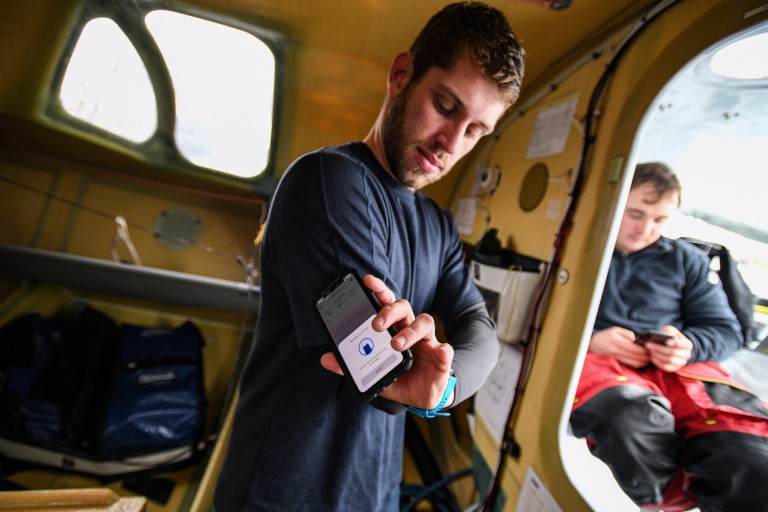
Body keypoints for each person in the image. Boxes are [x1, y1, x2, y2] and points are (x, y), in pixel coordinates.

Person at [214, 3, 525, 511]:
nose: (451, 143)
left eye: (474, 131)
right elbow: (374, 367)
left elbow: (477, 326)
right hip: (283, 495)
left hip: (373, 494)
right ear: (401, 75)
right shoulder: (330, 181)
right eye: (446, 106)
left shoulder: (439, 225)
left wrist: (443, 389)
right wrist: (416, 377)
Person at [570, 162, 768, 512]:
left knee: (751, 452)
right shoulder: (574, 246)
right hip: (600, 361)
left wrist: (689, 346)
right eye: (635, 214)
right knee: (632, 418)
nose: (645, 229)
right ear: (613, 202)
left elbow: (726, 331)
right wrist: (590, 339)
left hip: (680, 370)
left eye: (660, 220)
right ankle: (667, 503)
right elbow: (532, 315)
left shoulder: (687, 260)